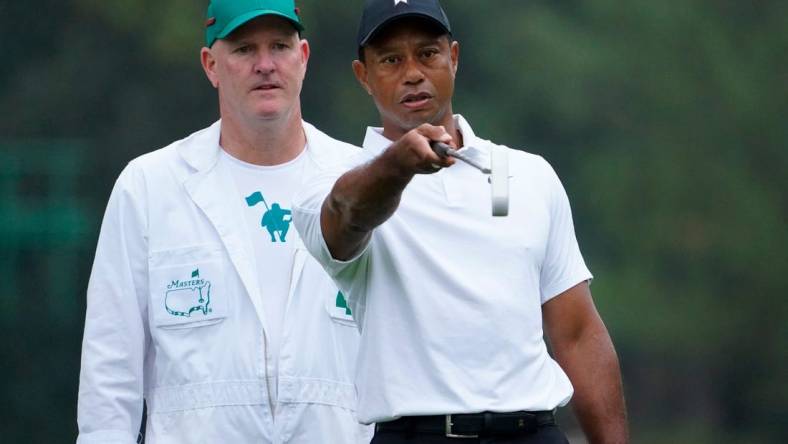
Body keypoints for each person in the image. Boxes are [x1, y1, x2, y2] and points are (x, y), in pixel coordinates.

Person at [292, 0, 629, 442]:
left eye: (427, 54)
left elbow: (578, 334)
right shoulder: (332, 183)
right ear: (364, 77)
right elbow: (346, 215)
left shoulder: (529, 174)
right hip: (419, 434)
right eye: (391, 60)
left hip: (532, 431)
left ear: (453, 57)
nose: (412, 73)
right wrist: (399, 165)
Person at [76, 1, 372, 443]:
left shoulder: (364, 181)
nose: (266, 65)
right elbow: (109, 374)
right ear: (211, 65)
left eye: (279, 46)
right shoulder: (150, 187)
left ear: (304, 57)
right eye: (244, 49)